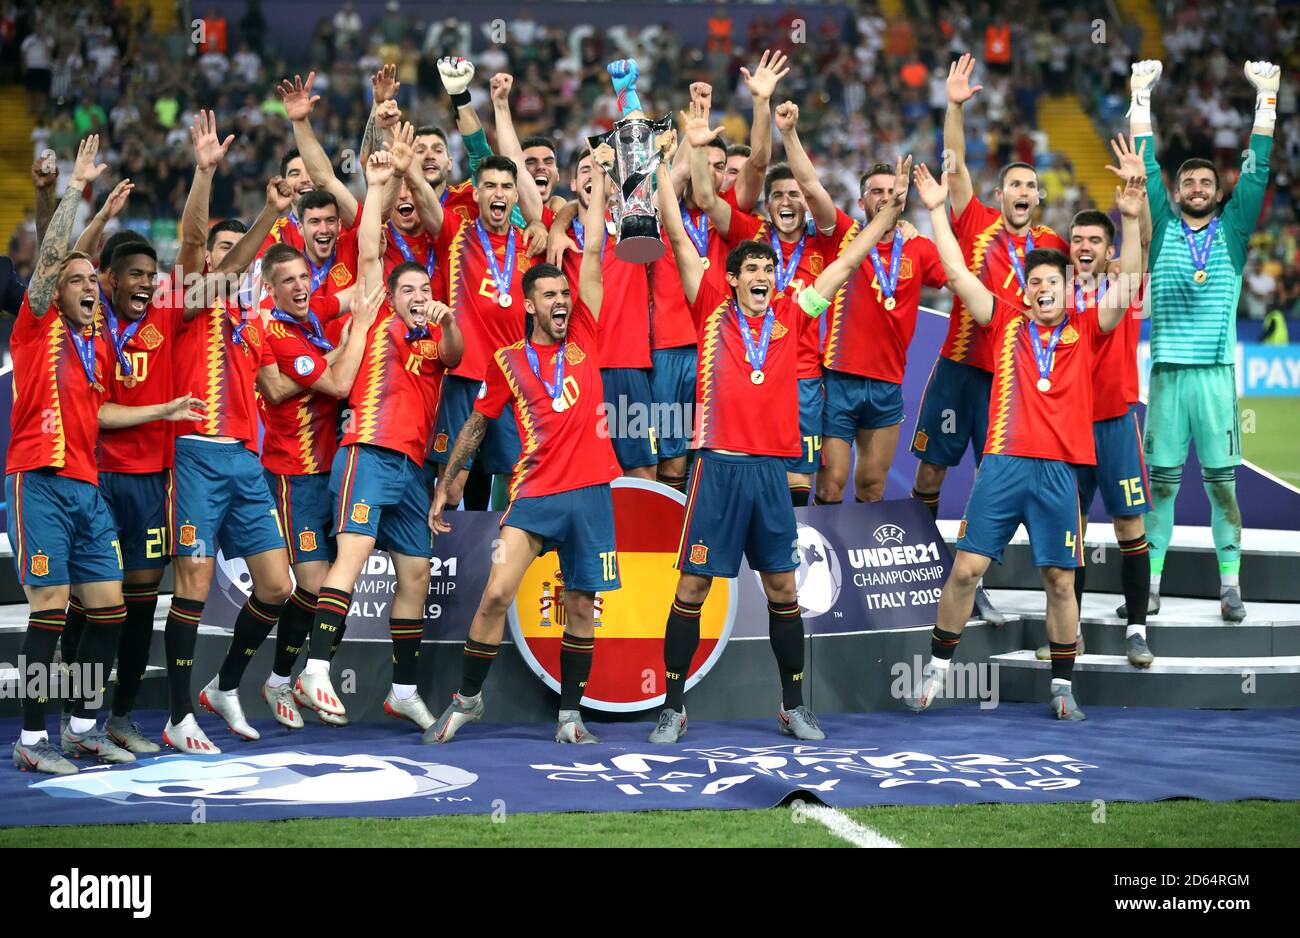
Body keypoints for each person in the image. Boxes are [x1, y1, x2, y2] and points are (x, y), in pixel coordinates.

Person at [647, 134, 916, 744]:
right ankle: (672, 705)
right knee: (691, 587)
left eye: (770, 269)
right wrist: (668, 166)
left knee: (782, 590)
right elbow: (676, 227)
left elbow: (847, 261)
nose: (763, 277)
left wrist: (890, 214)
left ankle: (793, 706)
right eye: (753, 270)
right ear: (735, 277)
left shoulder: (796, 313)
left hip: (771, 474)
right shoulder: (708, 304)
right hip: (716, 470)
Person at [907, 162, 1145, 721]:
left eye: (1052, 283)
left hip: (1060, 471)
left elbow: (1129, 278)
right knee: (966, 569)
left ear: (1068, 289)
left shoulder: (1087, 328)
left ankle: (1062, 685)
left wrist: (1130, 221)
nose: (1042, 290)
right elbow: (958, 274)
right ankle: (937, 670)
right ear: (1025, 289)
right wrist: (938, 211)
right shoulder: (1005, 320)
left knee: (1060, 581)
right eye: (1035, 282)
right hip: (1003, 467)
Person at [9, 137, 205, 774]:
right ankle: (34, 742)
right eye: (79, 282)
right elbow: (51, 261)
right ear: (52, 293)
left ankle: (85, 726)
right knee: (47, 609)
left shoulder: (93, 350)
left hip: (88, 488)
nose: (90, 288)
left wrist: (164, 410)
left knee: (111, 610)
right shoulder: (37, 326)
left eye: (95, 280)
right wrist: (73, 190)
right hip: (39, 479)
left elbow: (99, 415)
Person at [426, 144, 621, 745]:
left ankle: (570, 716)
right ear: (530, 304)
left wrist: (597, 187)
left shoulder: (586, 330)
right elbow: (479, 426)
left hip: (590, 495)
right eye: (551, 298)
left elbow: (590, 250)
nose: (562, 304)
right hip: (534, 495)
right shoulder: (508, 362)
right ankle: (467, 700)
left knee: (583, 608)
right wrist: (449, 480)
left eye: (565, 296)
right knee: (496, 595)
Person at [294, 149, 464, 730]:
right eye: (408, 288)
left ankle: (405, 689)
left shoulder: (436, 338)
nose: (418, 294)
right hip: (366, 452)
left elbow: (460, 354)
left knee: (417, 570)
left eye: (425, 287)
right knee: (355, 556)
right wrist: (375, 187)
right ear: (391, 295)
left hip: (412, 471)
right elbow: (370, 249)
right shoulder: (371, 317)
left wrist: (445, 320)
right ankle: (315, 668)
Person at [908, 54, 1068, 626]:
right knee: (930, 474)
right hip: (958, 369)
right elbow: (952, 165)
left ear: (1039, 199)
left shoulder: (1055, 246)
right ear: (999, 195)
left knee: (987, 484)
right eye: (1014, 185)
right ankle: (929, 569)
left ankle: (973, 582)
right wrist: (953, 106)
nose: (1023, 192)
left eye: (1032, 186)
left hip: (1013, 385)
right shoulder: (973, 219)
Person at [1127, 59, 1279, 622]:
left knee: (1221, 488)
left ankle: (1230, 586)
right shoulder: (1163, 225)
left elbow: (1257, 173)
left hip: (1215, 376)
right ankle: (1153, 586)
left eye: (1205, 182)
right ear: (1178, 190)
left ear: (1218, 193)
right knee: (1161, 490)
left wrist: (1266, 101)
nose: (1195, 187)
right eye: (1187, 181)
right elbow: (1144, 168)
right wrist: (1140, 101)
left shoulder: (1234, 232)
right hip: (1166, 377)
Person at [165, 153, 301, 753]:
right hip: (194, 456)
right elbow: (195, 241)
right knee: (191, 582)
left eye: (233, 250)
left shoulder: (252, 318)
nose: (227, 257)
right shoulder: (184, 303)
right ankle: (176, 716)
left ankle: (223, 686)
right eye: (220, 250)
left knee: (277, 586)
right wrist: (205, 174)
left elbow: (275, 386)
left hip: (245, 461)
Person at [694, 99, 856, 506]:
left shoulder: (826, 241)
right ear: (767, 204)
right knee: (751, 468)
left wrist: (790, 134)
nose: (788, 202)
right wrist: (698, 147)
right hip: (747, 370)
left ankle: (792, 556)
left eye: (794, 195)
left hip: (803, 376)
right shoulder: (751, 233)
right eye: (779, 195)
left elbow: (816, 189)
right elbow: (708, 200)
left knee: (800, 480)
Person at [1036, 133, 1155, 669]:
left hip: (1114, 423)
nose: (1083, 246)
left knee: (1130, 528)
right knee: (1072, 533)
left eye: (1093, 240)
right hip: (1066, 430)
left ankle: (1136, 629)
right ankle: (1072, 632)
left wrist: (1137, 196)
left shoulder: (1124, 286)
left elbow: (1142, 245)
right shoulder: (1053, 291)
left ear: (1108, 249)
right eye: (1076, 238)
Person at [253, 241, 378, 728]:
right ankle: (287, 676)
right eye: (289, 281)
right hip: (294, 475)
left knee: (332, 587)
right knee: (312, 586)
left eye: (305, 276)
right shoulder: (278, 334)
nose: (302, 286)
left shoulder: (310, 308)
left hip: (335, 472)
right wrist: (354, 339)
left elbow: (357, 291)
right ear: (270, 288)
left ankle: (291, 678)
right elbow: (339, 384)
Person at [818, 161, 946, 505]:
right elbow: (810, 185)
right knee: (831, 486)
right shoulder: (844, 235)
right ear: (861, 202)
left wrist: (937, 211)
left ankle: (856, 556)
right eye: (877, 191)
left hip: (887, 385)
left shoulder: (918, 248)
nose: (886, 198)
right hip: (839, 380)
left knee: (872, 487)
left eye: (893, 192)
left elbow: (957, 274)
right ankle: (823, 559)